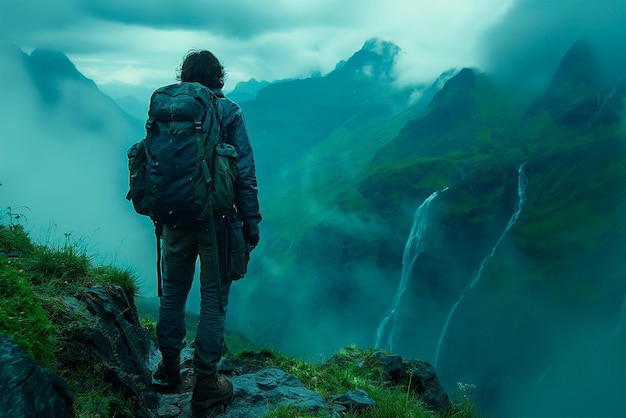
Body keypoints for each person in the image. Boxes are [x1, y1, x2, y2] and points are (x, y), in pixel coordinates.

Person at [153, 50, 261, 415]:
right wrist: (251, 224)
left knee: (172, 293)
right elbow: (244, 172)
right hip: (217, 220)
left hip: (173, 216)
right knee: (213, 300)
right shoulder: (228, 111)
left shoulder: (168, 109)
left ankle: (168, 369)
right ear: (219, 77)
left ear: (184, 77)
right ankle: (206, 383)